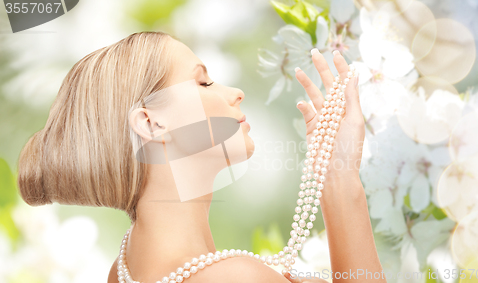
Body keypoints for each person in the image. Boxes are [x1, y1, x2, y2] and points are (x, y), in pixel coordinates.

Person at [17, 32, 385, 283]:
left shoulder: (127, 265)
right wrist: (341, 182)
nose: (235, 93)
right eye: (203, 82)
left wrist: (331, 170)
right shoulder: (237, 277)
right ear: (151, 122)